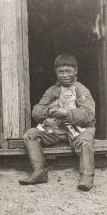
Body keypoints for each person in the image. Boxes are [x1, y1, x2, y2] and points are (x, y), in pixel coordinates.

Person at [19, 54, 96, 191]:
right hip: (57, 129)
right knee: (30, 135)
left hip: (80, 129)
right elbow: (36, 111)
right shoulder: (51, 91)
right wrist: (50, 110)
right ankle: (39, 172)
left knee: (85, 143)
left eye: (68, 71)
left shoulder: (81, 89)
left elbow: (88, 114)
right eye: (61, 71)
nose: (65, 75)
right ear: (56, 72)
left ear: (75, 71)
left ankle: (87, 177)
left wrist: (67, 113)